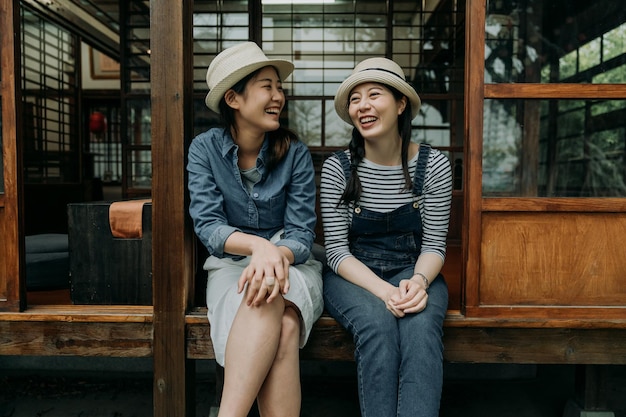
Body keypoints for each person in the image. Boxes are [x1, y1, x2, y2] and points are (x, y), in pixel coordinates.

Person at [187, 42, 324, 417]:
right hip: (231, 263)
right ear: (234, 98)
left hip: (291, 262)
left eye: (279, 87)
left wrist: (273, 253)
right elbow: (208, 225)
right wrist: (257, 249)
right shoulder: (204, 150)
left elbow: (300, 233)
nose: (278, 96)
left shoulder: (293, 152)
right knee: (283, 324)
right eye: (267, 86)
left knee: (274, 298)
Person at [320, 57, 452, 417]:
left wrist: (419, 283)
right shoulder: (338, 168)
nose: (362, 105)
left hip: (415, 270)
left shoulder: (434, 166)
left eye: (374, 94)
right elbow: (335, 252)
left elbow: (435, 246)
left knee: (421, 328)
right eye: (355, 99)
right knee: (377, 325)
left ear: (400, 103)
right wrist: (385, 291)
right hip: (353, 275)